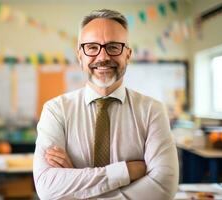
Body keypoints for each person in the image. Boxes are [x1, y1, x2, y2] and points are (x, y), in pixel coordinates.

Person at [33, 9, 179, 200]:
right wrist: (126, 171)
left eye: (113, 47)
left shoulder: (152, 111)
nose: (102, 57)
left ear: (127, 54)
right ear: (80, 56)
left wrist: (75, 185)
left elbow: (163, 185)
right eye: (92, 47)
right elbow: (46, 187)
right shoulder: (55, 110)